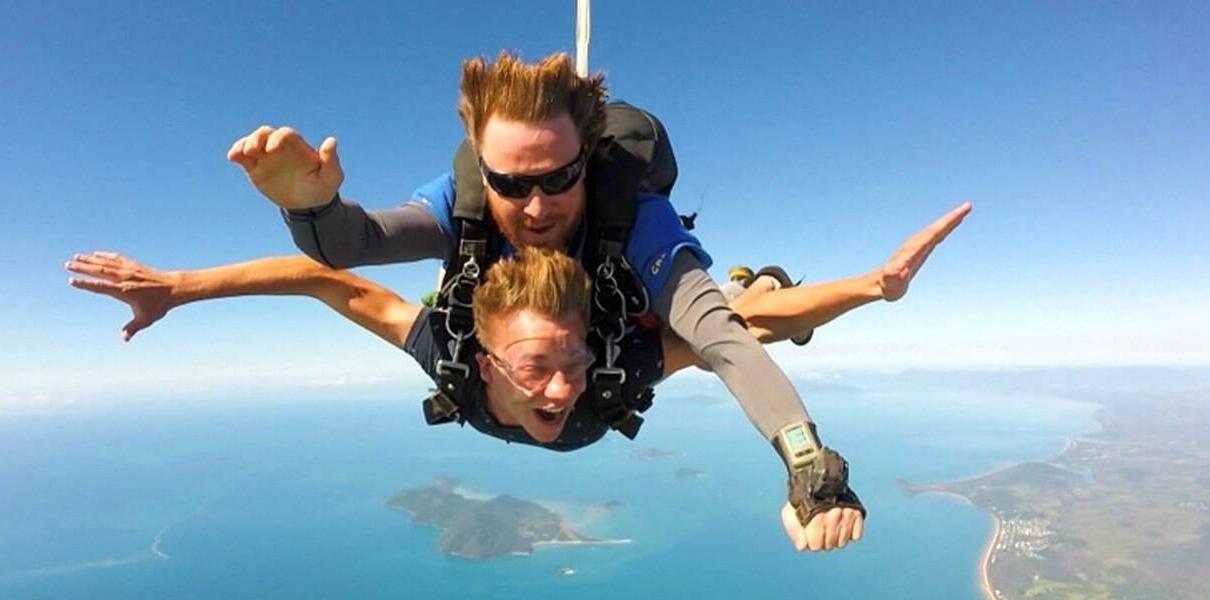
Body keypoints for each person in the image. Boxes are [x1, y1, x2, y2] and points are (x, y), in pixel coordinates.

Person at [66, 202, 970, 552]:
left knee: (734, 302)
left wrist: (871, 289)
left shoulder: (610, 368)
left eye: (571, 362)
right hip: (505, 310)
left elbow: (743, 335)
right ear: (490, 359)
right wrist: (176, 289)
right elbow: (322, 278)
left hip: (659, 309)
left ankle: (746, 267)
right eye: (538, 367)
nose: (561, 388)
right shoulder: (447, 352)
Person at [226, 52, 866, 532]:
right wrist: (310, 207)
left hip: (619, 336)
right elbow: (354, 248)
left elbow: (720, 340)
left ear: (586, 160)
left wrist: (809, 467)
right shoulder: (465, 206)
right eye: (510, 183)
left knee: (727, 312)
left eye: (559, 177)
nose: (535, 208)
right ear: (483, 170)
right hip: (569, 356)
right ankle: (759, 289)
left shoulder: (633, 218)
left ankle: (754, 284)